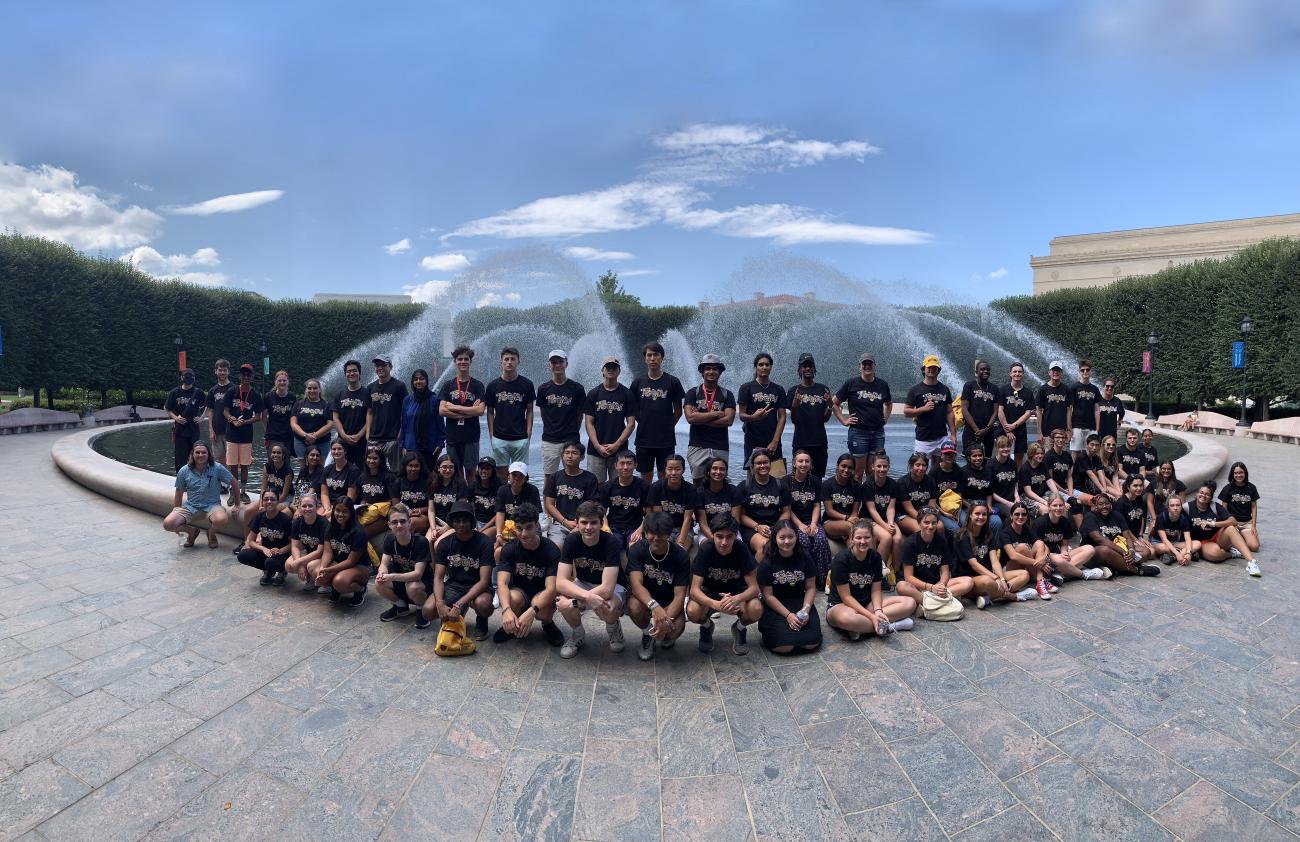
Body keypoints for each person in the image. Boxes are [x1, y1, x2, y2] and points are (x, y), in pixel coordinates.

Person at [556, 501, 627, 658]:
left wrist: (575, 601)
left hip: (613, 585)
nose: (588, 527)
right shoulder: (571, 540)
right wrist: (583, 597)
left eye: (594, 522)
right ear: (577, 523)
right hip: (583, 582)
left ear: (601, 523)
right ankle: (577, 634)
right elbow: (560, 582)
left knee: (608, 606)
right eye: (584, 522)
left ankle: (613, 627)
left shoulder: (611, 542)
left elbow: (607, 589)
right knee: (563, 602)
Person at [825, 520, 916, 639]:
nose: (863, 541)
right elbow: (846, 597)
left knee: (910, 603)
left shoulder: (876, 558)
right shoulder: (841, 560)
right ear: (851, 539)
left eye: (867, 537)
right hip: (841, 605)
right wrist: (871, 616)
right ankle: (891, 626)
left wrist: (878, 610)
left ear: (873, 538)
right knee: (847, 619)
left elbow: (876, 590)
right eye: (858, 538)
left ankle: (861, 628)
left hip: (867, 603)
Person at [688, 514, 762, 654]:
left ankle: (739, 628)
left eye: (729, 537)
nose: (724, 542)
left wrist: (736, 599)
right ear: (713, 535)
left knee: (756, 608)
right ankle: (706, 626)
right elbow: (694, 590)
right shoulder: (706, 549)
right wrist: (715, 604)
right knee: (692, 610)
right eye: (719, 536)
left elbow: (754, 588)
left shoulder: (741, 549)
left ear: (735, 536)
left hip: (737, 592)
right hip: (710, 591)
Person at [492, 503, 565, 645]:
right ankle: (514, 624)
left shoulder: (551, 550)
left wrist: (532, 611)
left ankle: (548, 624)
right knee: (510, 598)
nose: (524, 534)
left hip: (541, 592)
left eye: (528, 528)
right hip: (520, 592)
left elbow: (551, 588)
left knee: (543, 611)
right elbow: (502, 583)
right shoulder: (509, 549)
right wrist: (506, 610)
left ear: (537, 525)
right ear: (514, 527)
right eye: (519, 528)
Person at [625, 512, 689, 661]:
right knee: (633, 605)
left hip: (669, 601)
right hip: (646, 601)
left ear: (669, 534)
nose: (656, 538)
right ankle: (648, 634)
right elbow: (636, 585)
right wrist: (654, 606)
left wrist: (664, 622)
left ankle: (662, 633)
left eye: (661, 534)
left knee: (675, 630)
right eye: (651, 533)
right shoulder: (637, 550)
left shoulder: (681, 555)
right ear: (645, 533)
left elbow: (680, 595)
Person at [428, 501, 495, 640]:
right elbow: (439, 577)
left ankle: (481, 619)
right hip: (454, 584)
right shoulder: (445, 543)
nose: (461, 525)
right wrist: (440, 603)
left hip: (478, 586)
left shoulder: (485, 543)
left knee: (483, 604)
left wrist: (460, 603)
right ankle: (455, 614)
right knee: (428, 610)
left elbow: (484, 581)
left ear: (471, 522)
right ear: (452, 523)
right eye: (457, 521)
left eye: (465, 521)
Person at [756, 520, 822, 654]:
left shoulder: (804, 556)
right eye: (782, 537)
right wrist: (788, 615)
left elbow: (810, 587)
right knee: (784, 647)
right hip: (775, 605)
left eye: (790, 537)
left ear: (796, 537)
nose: (787, 541)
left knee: (812, 643)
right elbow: (767, 595)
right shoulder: (767, 561)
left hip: (799, 601)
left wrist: (805, 611)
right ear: (774, 538)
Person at [955, 502, 1034, 610]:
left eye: (984, 514)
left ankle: (989, 598)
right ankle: (1014, 596)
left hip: (989, 574)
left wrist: (1001, 578)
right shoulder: (962, 537)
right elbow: (974, 565)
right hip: (970, 578)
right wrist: (995, 578)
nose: (981, 517)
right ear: (970, 515)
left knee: (1024, 574)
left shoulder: (988, 534)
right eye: (977, 514)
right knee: (988, 581)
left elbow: (994, 561)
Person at [163, 440, 237, 549]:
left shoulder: (217, 468)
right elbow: (179, 492)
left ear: (208, 454)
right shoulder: (184, 471)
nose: (200, 455)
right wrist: (177, 511)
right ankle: (192, 532)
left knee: (222, 520)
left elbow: (234, 483)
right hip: (191, 506)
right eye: (197, 452)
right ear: (192, 454)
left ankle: (211, 534)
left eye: (203, 452)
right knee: (168, 524)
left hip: (212, 506)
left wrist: (238, 504)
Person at [896, 507, 972, 610]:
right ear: (919, 523)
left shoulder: (942, 541)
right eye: (926, 522)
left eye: (934, 523)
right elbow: (909, 577)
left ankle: (928, 603)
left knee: (968, 581)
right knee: (901, 586)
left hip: (936, 583)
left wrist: (940, 585)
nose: (930, 526)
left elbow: (945, 572)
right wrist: (931, 588)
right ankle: (940, 601)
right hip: (917, 586)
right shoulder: (910, 543)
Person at [629, 341, 685, 483]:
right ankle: (648, 504)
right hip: (643, 439)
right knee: (645, 476)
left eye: (656, 355)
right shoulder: (638, 383)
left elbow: (678, 409)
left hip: (665, 440)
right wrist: (642, 423)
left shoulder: (673, 382)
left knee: (664, 475)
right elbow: (632, 408)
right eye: (649, 355)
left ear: (662, 357)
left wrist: (668, 426)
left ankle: (661, 503)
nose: (653, 358)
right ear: (645, 359)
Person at [833, 352, 892, 481]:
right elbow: (834, 403)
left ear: (874, 366)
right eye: (864, 364)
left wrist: (885, 419)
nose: (867, 366)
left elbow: (888, 404)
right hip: (858, 433)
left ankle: (869, 500)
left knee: (873, 471)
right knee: (857, 473)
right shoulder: (851, 383)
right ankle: (855, 501)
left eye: (870, 363)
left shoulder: (882, 385)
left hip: (877, 433)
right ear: (859, 366)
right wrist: (843, 420)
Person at [375, 503, 433, 629]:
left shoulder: (421, 542)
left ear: (409, 522)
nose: (399, 525)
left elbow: (417, 574)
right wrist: (382, 574)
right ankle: (401, 607)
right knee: (379, 582)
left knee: (412, 586)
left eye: (403, 521)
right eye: (395, 522)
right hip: (401, 581)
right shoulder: (390, 540)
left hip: (422, 584)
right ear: (389, 525)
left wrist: (391, 576)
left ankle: (421, 610)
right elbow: (384, 564)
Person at [1186, 482, 1260, 576]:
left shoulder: (1214, 506)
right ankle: (1231, 554)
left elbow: (1233, 521)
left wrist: (1212, 523)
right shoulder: (1187, 507)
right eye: (1201, 492)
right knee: (1216, 554)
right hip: (1202, 542)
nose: (1203, 495)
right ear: (1197, 494)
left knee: (1231, 528)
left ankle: (1251, 562)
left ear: (1211, 498)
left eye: (1207, 494)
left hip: (1217, 537)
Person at [484, 346, 535, 482]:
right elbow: (489, 411)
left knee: (520, 474)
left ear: (518, 361)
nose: (509, 362)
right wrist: (491, 434)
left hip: (520, 436)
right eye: (506, 359)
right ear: (501, 362)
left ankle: (520, 502)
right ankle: (503, 501)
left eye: (513, 359)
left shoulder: (527, 384)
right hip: (499, 437)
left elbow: (530, 409)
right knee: (500, 475)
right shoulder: (493, 386)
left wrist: (529, 432)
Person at [437, 346, 487, 482]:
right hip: (453, 436)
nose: (463, 362)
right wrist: (469, 412)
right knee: (456, 472)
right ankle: (459, 501)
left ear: (470, 362)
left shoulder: (477, 385)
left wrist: (453, 407)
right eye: (460, 359)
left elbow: (480, 411)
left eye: (466, 359)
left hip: (471, 436)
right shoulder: (448, 385)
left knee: (471, 472)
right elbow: (442, 411)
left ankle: (470, 501)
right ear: (454, 361)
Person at [683, 353, 736, 481]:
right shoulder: (692, 393)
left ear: (720, 372)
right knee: (697, 480)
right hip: (697, 445)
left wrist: (699, 417)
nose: (711, 372)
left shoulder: (727, 394)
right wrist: (716, 414)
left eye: (714, 369)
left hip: (720, 445)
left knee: (719, 480)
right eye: (707, 368)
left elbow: (729, 420)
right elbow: (690, 418)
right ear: (702, 371)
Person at [583, 356, 635, 483]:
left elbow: (631, 423)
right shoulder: (593, 394)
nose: (611, 369)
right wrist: (597, 445)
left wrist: (617, 445)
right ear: (602, 370)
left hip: (619, 449)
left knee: (618, 484)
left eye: (614, 367)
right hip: (596, 449)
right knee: (596, 485)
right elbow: (589, 422)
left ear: (619, 371)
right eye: (608, 367)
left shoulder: (627, 394)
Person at [1081, 493, 1159, 576]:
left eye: (1107, 503)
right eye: (1101, 504)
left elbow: (1127, 536)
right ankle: (1136, 570)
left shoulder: (1116, 515)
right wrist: (1124, 552)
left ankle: (1117, 568)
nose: (1104, 506)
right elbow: (1101, 540)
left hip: (1117, 549)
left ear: (1110, 504)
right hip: (1094, 554)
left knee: (1146, 551)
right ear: (1095, 506)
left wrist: (1131, 550)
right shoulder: (1090, 517)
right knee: (1105, 550)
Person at [1034, 494, 1107, 583]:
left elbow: (1064, 544)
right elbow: (1039, 547)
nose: (1058, 508)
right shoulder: (1040, 523)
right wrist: (1054, 556)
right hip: (1046, 555)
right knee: (1059, 560)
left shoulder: (1065, 522)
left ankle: (1060, 573)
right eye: (1055, 505)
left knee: (1090, 549)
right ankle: (1083, 573)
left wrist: (1064, 552)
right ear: (1049, 506)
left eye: (1061, 505)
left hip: (1059, 555)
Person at [536, 349, 587, 477]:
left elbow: (580, 414)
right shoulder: (543, 389)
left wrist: (573, 430)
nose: (557, 365)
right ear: (549, 365)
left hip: (571, 438)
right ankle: (548, 497)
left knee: (573, 473)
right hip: (550, 439)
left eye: (560, 362)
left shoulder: (577, 388)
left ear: (566, 364)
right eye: (554, 362)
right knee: (549, 475)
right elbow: (543, 413)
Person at [738, 353, 788, 477]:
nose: (764, 367)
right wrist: (754, 417)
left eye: (767, 365)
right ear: (756, 367)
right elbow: (742, 416)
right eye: (761, 365)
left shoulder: (778, 389)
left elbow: (782, 417)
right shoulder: (746, 388)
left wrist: (775, 441)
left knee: (777, 478)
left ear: (771, 367)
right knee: (753, 479)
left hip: (773, 441)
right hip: (752, 440)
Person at [314, 499, 371, 606]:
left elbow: (351, 561)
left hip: (359, 566)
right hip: (339, 562)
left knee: (339, 581)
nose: (340, 514)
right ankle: (336, 589)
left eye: (345, 511)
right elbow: (327, 552)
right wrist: (322, 568)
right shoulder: (330, 527)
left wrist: (329, 570)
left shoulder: (359, 532)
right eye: (337, 510)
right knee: (314, 569)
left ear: (351, 513)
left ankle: (360, 590)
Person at [737, 450, 792, 561]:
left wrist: (777, 527)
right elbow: (740, 515)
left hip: (775, 525)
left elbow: (786, 511)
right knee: (766, 546)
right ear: (752, 466)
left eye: (765, 462)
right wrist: (758, 527)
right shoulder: (744, 486)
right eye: (759, 463)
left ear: (770, 464)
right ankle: (757, 576)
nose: (763, 466)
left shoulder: (780, 485)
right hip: (752, 528)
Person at [784, 449, 831, 581]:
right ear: (794, 463)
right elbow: (787, 509)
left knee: (821, 540)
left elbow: (817, 505)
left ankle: (821, 578)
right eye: (800, 461)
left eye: (807, 461)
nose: (803, 464)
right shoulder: (786, 481)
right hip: (793, 521)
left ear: (811, 464)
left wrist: (814, 524)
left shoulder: (815, 481)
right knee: (803, 542)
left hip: (811, 520)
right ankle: (804, 578)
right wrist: (800, 526)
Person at [543, 440, 600, 544]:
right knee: (556, 546)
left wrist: (580, 523)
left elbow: (592, 505)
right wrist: (565, 522)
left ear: (582, 457)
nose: (570, 456)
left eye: (574, 453)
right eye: (567, 452)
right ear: (562, 455)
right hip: (560, 523)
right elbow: (549, 504)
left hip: (584, 522)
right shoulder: (555, 477)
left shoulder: (590, 478)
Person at [223, 363, 264, 505]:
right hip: (232, 434)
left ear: (252, 377)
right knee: (232, 465)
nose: (246, 377)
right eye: (243, 374)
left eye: (248, 375)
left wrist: (245, 422)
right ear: (240, 376)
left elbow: (258, 417)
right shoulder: (232, 391)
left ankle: (243, 492)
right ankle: (233, 493)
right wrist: (232, 420)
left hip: (246, 435)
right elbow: (225, 410)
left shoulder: (255, 395)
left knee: (245, 465)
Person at [997, 500, 1054, 599]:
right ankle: (1041, 581)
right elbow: (1013, 556)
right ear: (1011, 516)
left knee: (1039, 543)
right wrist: (1038, 562)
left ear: (1027, 516)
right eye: (1017, 514)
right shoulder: (1005, 532)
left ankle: (1040, 582)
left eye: (1023, 514)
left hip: (1026, 566)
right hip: (1008, 568)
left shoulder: (1026, 529)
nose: (1020, 517)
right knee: (1021, 547)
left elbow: (1044, 546)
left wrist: (1043, 558)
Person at [788, 354, 833, 478]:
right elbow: (794, 420)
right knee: (798, 478)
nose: (807, 369)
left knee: (818, 479)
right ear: (799, 369)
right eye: (804, 366)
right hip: (800, 442)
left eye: (810, 366)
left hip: (820, 443)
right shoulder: (793, 391)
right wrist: (795, 406)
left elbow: (825, 418)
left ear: (814, 369)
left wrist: (830, 405)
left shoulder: (823, 389)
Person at [904, 355, 956, 456]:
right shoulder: (915, 390)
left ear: (938, 370)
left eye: (934, 367)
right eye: (929, 367)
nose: (932, 370)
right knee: (920, 468)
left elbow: (949, 412)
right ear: (924, 369)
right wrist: (923, 409)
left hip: (942, 437)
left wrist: (953, 435)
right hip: (923, 438)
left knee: (938, 468)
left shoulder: (944, 389)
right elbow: (906, 412)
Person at [366, 355, 409, 474]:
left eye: (383, 365)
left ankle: (394, 492)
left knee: (395, 470)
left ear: (390, 366)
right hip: (374, 438)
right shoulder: (370, 387)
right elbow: (369, 412)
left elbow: (405, 411)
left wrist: (401, 431)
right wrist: (368, 433)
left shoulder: (399, 386)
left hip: (392, 437)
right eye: (377, 366)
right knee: (374, 469)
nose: (380, 368)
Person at [647, 453, 697, 552]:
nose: (673, 473)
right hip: (662, 527)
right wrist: (666, 538)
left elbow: (687, 519)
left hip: (683, 528)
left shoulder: (690, 489)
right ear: (665, 470)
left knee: (680, 551)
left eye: (678, 469)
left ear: (683, 470)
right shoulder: (656, 487)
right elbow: (659, 517)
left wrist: (680, 542)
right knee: (662, 548)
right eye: (670, 469)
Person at [860, 453, 901, 573]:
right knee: (887, 537)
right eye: (879, 466)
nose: (882, 469)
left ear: (888, 467)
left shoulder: (893, 484)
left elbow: (891, 508)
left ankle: (896, 571)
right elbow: (871, 510)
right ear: (873, 467)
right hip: (869, 519)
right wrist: (885, 526)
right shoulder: (867, 485)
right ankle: (877, 571)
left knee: (898, 539)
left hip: (887, 518)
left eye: (885, 466)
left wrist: (891, 523)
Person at [400, 368, 444, 473]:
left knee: (428, 476)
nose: (418, 381)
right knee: (411, 474)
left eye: (421, 379)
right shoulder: (407, 400)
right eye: (415, 379)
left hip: (430, 446)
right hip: (411, 446)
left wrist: (440, 443)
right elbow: (404, 424)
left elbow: (440, 424)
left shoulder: (434, 400)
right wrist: (403, 445)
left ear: (426, 381)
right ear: (412, 382)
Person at [602, 450, 648, 548]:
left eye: (629, 463)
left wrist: (640, 530)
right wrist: (606, 528)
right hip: (613, 527)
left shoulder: (643, 486)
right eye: (622, 463)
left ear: (635, 465)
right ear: (616, 466)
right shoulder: (608, 486)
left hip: (635, 527)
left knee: (635, 547)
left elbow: (650, 513)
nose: (625, 467)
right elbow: (602, 511)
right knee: (612, 545)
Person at [493, 461, 542, 550]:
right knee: (497, 549)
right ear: (508, 476)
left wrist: (521, 530)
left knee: (532, 544)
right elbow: (500, 513)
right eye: (514, 474)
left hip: (527, 525)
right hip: (507, 525)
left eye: (521, 475)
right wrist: (499, 534)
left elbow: (535, 515)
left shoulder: (532, 490)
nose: (517, 478)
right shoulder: (502, 490)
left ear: (526, 478)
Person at [284, 492, 329, 589]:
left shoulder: (324, 524)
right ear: (299, 507)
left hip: (323, 556)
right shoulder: (297, 522)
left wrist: (299, 561)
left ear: (316, 507)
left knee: (311, 566)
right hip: (309, 553)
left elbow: (319, 551)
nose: (307, 509)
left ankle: (327, 583)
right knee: (289, 565)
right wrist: (299, 565)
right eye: (304, 506)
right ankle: (310, 578)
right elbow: (295, 546)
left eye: (310, 506)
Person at [331, 359, 371, 467]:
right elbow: (335, 418)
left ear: (359, 373)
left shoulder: (368, 393)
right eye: (348, 371)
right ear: (345, 374)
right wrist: (343, 435)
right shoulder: (339, 395)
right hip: (343, 442)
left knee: (362, 471)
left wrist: (359, 435)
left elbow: (370, 417)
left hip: (362, 441)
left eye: (354, 371)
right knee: (342, 471)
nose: (351, 373)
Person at [164, 368, 204, 471]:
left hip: (194, 430)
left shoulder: (198, 392)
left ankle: (195, 478)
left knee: (196, 456)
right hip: (180, 430)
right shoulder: (175, 392)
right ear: (181, 378)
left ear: (194, 379)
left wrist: (202, 417)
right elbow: (167, 408)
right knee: (180, 458)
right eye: (186, 377)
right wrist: (176, 418)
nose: (188, 379)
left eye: (191, 377)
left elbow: (208, 406)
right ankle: (181, 480)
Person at [695, 455, 740, 543]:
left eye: (722, 469)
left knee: (737, 545)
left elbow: (736, 520)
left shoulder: (734, 491)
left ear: (726, 473)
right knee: (707, 546)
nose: (718, 472)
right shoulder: (700, 492)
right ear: (708, 472)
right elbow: (703, 524)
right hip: (708, 531)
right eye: (714, 468)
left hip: (729, 530)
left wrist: (728, 537)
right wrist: (715, 539)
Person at [959, 359, 999, 459]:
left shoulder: (995, 389)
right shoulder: (969, 386)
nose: (985, 371)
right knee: (970, 459)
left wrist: (986, 429)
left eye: (988, 369)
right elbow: (964, 409)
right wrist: (977, 430)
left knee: (987, 459)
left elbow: (996, 411)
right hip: (971, 431)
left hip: (988, 431)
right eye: (982, 369)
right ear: (976, 372)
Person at [1218, 462, 1260, 553]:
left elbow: (1254, 507)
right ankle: (1239, 538)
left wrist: (1253, 526)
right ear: (1232, 474)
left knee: (1254, 547)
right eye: (1236, 473)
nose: (1239, 475)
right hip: (1232, 523)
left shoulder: (1252, 488)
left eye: (1241, 472)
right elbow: (1223, 508)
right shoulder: (1227, 488)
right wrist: (1226, 524)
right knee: (1225, 545)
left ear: (1245, 473)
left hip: (1246, 523)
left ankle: (1241, 537)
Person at [998, 362, 1035, 466]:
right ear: (1010, 374)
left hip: (1020, 430)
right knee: (1003, 456)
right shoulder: (1002, 390)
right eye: (1014, 371)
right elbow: (999, 410)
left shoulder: (1028, 393)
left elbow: (1028, 413)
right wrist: (1007, 430)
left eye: (1019, 371)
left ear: (1023, 374)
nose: (1017, 374)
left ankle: (1017, 481)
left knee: (1019, 459)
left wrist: (1014, 426)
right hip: (1004, 429)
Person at [821, 453, 863, 545]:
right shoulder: (827, 485)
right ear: (837, 466)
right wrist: (846, 518)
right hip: (830, 522)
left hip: (850, 521)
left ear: (853, 469)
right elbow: (829, 511)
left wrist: (852, 518)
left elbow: (855, 511)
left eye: (850, 467)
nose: (846, 470)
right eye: (843, 466)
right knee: (851, 528)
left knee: (854, 539)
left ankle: (869, 558)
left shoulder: (857, 486)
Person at [427, 454, 468, 545]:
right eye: (444, 467)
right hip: (438, 522)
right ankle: (434, 560)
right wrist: (433, 529)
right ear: (438, 468)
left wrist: (446, 528)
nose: (448, 470)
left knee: (438, 543)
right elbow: (431, 510)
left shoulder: (461, 483)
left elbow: (461, 510)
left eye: (451, 467)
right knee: (428, 541)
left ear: (455, 469)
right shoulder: (433, 483)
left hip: (454, 523)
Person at [356, 445, 395, 538]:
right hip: (366, 513)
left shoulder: (388, 477)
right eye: (369, 458)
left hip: (383, 515)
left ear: (381, 460)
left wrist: (376, 507)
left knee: (362, 534)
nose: (371, 461)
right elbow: (362, 498)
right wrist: (363, 505)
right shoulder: (362, 477)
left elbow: (393, 500)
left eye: (375, 458)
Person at [895, 452, 939, 537]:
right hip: (905, 515)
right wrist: (926, 520)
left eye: (924, 465)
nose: (921, 468)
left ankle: (938, 549)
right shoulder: (902, 482)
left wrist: (930, 519)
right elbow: (909, 509)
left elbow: (932, 505)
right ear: (911, 466)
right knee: (922, 529)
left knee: (940, 526)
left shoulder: (930, 481)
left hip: (926, 514)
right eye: (917, 465)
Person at [205, 358, 236, 477]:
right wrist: (210, 430)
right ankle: (223, 482)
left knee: (231, 459)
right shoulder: (213, 390)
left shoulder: (234, 389)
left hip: (231, 430)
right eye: (220, 370)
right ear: (215, 371)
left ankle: (230, 482)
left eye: (225, 370)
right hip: (217, 430)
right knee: (219, 458)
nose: (222, 373)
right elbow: (210, 411)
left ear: (228, 372)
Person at [960, 444, 1000, 532]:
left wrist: (989, 506)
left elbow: (989, 493)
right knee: (964, 522)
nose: (978, 458)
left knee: (997, 522)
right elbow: (959, 496)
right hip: (967, 506)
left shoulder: (989, 471)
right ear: (969, 458)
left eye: (980, 455)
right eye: (974, 456)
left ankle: (992, 544)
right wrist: (971, 506)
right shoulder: (963, 472)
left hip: (984, 505)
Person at [1116, 475, 1156, 561]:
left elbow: (1142, 518)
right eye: (1135, 486)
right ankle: (1124, 560)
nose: (1139, 488)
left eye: (1141, 485)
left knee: (1153, 552)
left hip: (1136, 536)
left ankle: (1132, 558)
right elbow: (1124, 526)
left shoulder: (1139, 499)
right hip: (1125, 537)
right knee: (1150, 552)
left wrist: (1140, 536)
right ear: (1128, 487)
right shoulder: (1121, 503)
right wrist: (1134, 540)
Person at [291, 378, 333, 460]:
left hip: (322, 441)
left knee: (321, 468)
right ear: (306, 390)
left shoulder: (327, 405)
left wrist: (315, 436)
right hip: (301, 441)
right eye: (309, 388)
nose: (312, 390)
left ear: (319, 389)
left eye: (315, 388)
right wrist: (305, 435)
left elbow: (330, 424)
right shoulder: (298, 404)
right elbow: (293, 423)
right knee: (304, 468)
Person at [930, 441, 965, 533]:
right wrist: (944, 513)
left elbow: (959, 493)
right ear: (941, 455)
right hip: (938, 508)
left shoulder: (959, 471)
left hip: (955, 506)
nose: (949, 456)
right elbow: (932, 499)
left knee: (966, 523)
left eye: (952, 454)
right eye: (946, 454)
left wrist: (958, 510)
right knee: (955, 528)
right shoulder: (934, 472)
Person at [263, 370, 297, 463]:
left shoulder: (292, 397)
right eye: (279, 380)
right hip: (273, 435)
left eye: (284, 380)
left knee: (286, 463)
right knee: (273, 462)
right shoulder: (268, 396)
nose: (282, 382)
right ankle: (272, 478)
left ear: (288, 382)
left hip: (288, 435)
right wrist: (267, 430)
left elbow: (294, 417)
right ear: (275, 382)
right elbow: (264, 416)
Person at [393, 453, 431, 535]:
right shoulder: (398, 482)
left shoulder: (428, 482)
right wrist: (406, 512)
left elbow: (432, 506)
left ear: (421, 467)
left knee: (410, 523)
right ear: (405, 466)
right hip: (403, 514)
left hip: (423, 516)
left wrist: (419, 510)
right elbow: (395, 505)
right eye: (410, 465)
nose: (413, 469)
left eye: (416, 466)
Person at [1035, 361, 1071, 446]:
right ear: (1049, 372)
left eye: (1058, 370)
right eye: (1053, 370)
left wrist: (1069, 430)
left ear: (1061, 373)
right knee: (1047, 457)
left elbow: (1069, 411)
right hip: (1047, 432)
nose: (1056, 372)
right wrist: (1039, 432)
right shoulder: (1042, 390)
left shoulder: (1066, 390)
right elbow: (1038, 411)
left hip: (1062, 432)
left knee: (1061, 457)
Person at [1069, 360, 1101, 454]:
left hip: (1091, 426)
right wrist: (1069, 427)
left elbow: (1097, 409)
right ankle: (1074, 469)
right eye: (1082, 370)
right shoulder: (1074, 387)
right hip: (1077, 425)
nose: (1085, 372)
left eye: (1087, 370)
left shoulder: (1095, 389)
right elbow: (1069, 409)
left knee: (1091, 452)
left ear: (1091, 371)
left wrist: (1097, 428)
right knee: (1075, 452)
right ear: (1079, 372)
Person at [1153, 494, 1193, 566]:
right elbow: (1164, 540)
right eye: (1172, 505)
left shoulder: (1184, 519)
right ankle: (1180, 554)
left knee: (1197, 544)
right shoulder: (1161, 517)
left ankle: (1172, 557)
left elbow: (1188, 539)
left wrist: (1189, 553)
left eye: (1178, 505)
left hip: (1174, 543)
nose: (1175, 508)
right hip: (1160, 542)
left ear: (1181, 507)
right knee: (1162, 548)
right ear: (1168, 508)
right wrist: (1178, 553)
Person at [320, 439, 361, 510]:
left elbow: (350, 498)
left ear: (345, 451)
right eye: (334, 449)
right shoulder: (327, 469)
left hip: (345, 507)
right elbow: (324, 494)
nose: (336, 452)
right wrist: (327, 509)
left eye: (339, 449)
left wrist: (334, 511)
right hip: (329, 505)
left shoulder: (353, 470)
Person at [468, 456, 502, 539]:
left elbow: (499, 513)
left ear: (493, 471)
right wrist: (474, 525)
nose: (484, 471)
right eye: (481, 468)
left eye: (487, 469)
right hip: (477, 521)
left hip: (494, 523)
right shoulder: (473, 486)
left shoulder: (500, 487)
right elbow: (472, 509)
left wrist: (483, 528)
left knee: (480, 538)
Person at [1016, 443, 1052, 516]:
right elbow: (1028, 492)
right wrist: (1043, 501)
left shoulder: (1043, 465)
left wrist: (1058, 496)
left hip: (1041, 494)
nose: (1040, 456)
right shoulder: (1024, 469)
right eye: (1037, 453)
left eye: (1042, 453)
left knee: (1059, 505)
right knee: (1046, 510)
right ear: (1031, 454)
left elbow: (1050, 481)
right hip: (1026, 497)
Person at [989, 435, 1019, 520]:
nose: (1006, 449)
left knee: (1024, 511)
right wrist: (1007, 503)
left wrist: (1017, 497)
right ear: (997, 448)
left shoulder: (1013, 463)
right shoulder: (990, 466)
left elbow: (1015, 483)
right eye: (1002, 447)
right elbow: (990, 492)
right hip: (998, 502)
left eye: (1008, 446)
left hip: (1012, 499)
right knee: (1012, 514)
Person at [290, 446, 325, 514]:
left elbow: (311, 492)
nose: (315, 458)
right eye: (312, 455)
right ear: (306, 456)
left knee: (297, 517)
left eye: (317, 455)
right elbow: (297, 490)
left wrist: (299, 508)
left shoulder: (321, 471)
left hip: (313, 502)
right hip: (300, 501)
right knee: (285, 514)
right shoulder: (303, 470)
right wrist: (293, 503)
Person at [259, 442, 293, 510]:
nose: (275, 455)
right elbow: (263, 488)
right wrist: (261, 504)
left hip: (285, 498)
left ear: (283, 455)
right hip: (271, 495)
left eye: (278, 453)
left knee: (271, 509)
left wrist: (270, 504)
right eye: (274, 452)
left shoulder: (288, 471)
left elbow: (284, 495)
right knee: (249, 510)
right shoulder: (267, 467)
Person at [1096, 378, 1124, 443]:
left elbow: (1122, 413)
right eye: (1107, 386)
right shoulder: (1097, 400)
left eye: (1112, 386)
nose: (1109, 388)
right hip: (1099, 434)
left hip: (1112, 435)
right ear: (1103, 387)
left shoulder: (1117, 401)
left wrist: (1119, 424)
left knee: (1111, 452)